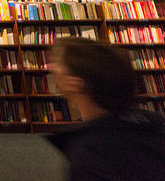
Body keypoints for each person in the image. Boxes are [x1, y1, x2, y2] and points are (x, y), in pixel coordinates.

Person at [48, 37, 165, 180]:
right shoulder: (152, 128)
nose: (52, 68)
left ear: (75, 83)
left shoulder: (90, 154)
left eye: (58, 62)